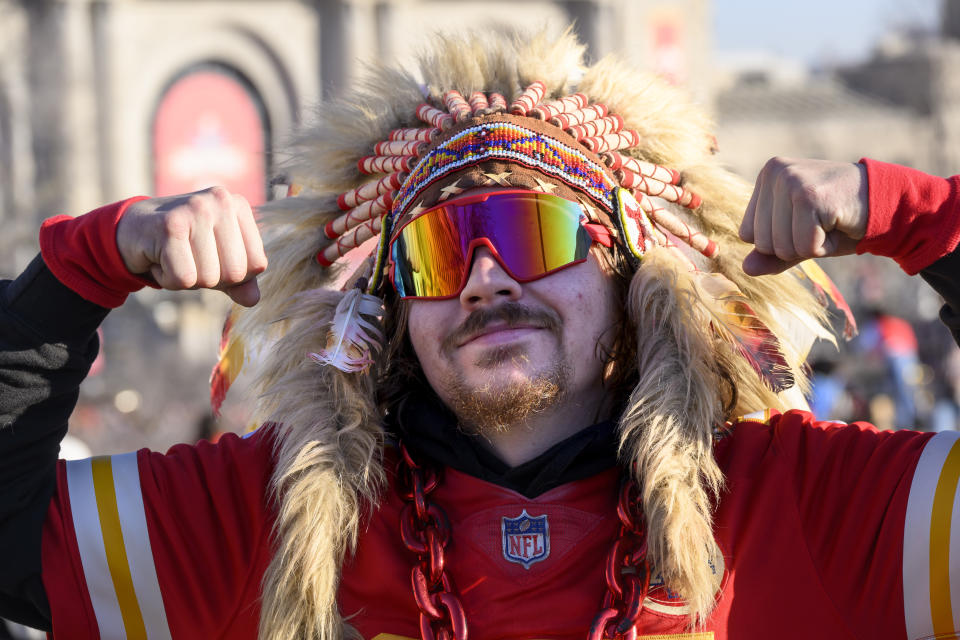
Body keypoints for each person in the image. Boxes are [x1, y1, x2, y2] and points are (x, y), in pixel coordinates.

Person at [1, 27, 959, 640]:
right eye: (438, 252)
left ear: (631, 277)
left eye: (531, 232)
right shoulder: (273, 512)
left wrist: (927, 222)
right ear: (390, 307)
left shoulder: (794, 499)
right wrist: (84, 267)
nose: (487, 278)